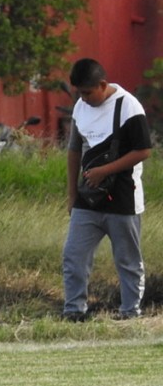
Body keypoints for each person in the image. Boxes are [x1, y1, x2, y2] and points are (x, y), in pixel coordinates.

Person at [63, 57, 152, 321]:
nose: (83, 98)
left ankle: (130, 313)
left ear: (102, 85)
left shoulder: (129, 106)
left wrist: (105, 171)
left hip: (124, 199)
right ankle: (74, 311)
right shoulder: (81, 107)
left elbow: (143, 150)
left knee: (127, 261)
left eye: (87, 92)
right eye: (79, 93)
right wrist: (72, 195)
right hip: (87, 198)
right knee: (73, 256)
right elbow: (74, 150)